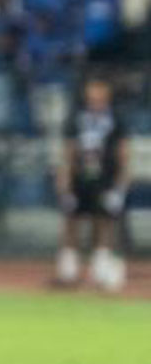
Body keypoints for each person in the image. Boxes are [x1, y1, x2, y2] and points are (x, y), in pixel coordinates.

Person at [55, 75, 129, 292]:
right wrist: (65, 185)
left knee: (103, 222)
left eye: (100, 95)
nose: (96, 100)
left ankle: (101, 268)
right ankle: (68, 270)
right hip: (80, 179)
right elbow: (68, 155)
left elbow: (124, 156)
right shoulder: (76, 119)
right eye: (92, 95)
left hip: (104, 179)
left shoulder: (116, 120)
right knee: (71, 221)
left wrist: (119, 189)